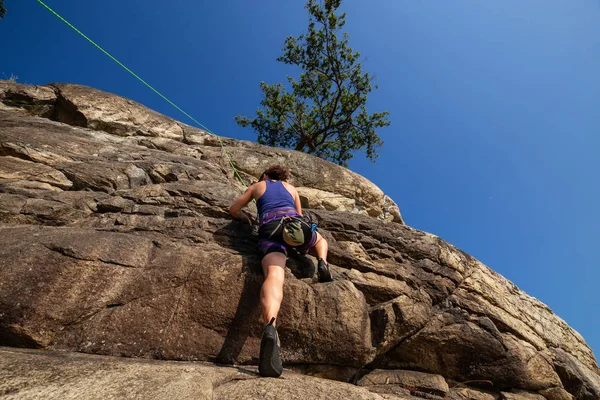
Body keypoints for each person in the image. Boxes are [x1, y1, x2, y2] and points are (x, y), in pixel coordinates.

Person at [229, 164, 332, 378]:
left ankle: (270, 325)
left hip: (270, 228)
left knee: (275, 275)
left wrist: (244, 218)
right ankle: (322, 261)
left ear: (266, 176)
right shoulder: (291, 188)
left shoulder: (257, 185)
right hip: (294, 227)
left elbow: (234, 209)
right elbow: (301, 215)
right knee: (320, 240)